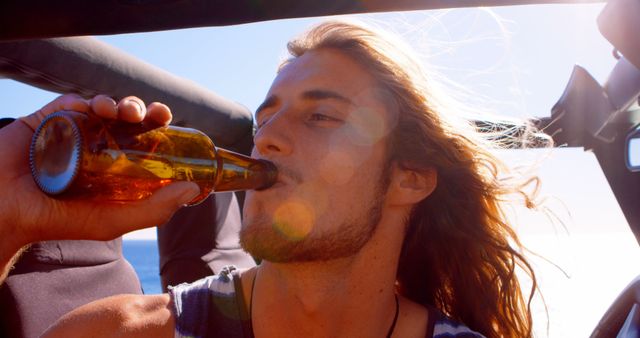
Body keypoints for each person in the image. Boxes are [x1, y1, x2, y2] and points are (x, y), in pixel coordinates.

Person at [1, 20, 542, 337]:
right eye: (265, 119)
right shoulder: (119, 332)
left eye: (322, 116)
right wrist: (7, 220)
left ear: (409, 179)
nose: (266, 140)